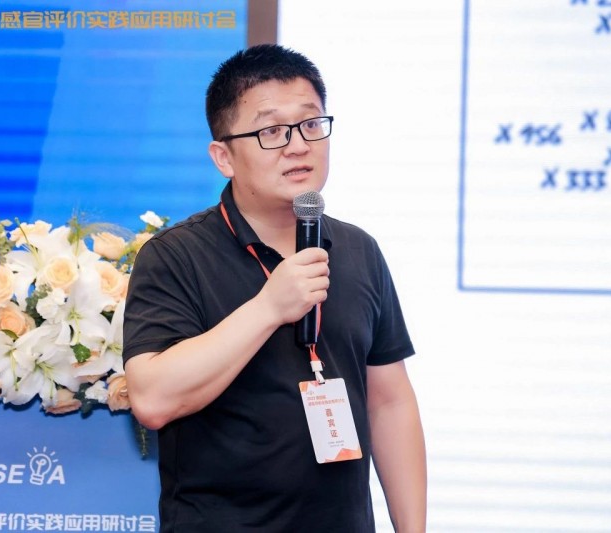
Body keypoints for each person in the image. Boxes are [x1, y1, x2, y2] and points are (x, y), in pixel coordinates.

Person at [123, 44, 426, 533]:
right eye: (271, 131)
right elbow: (153, 399)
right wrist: (268, 307)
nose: (298, 145)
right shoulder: (175, 256)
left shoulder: (359, 250)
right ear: (224, 156)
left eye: (310, 124)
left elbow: (389, 402)